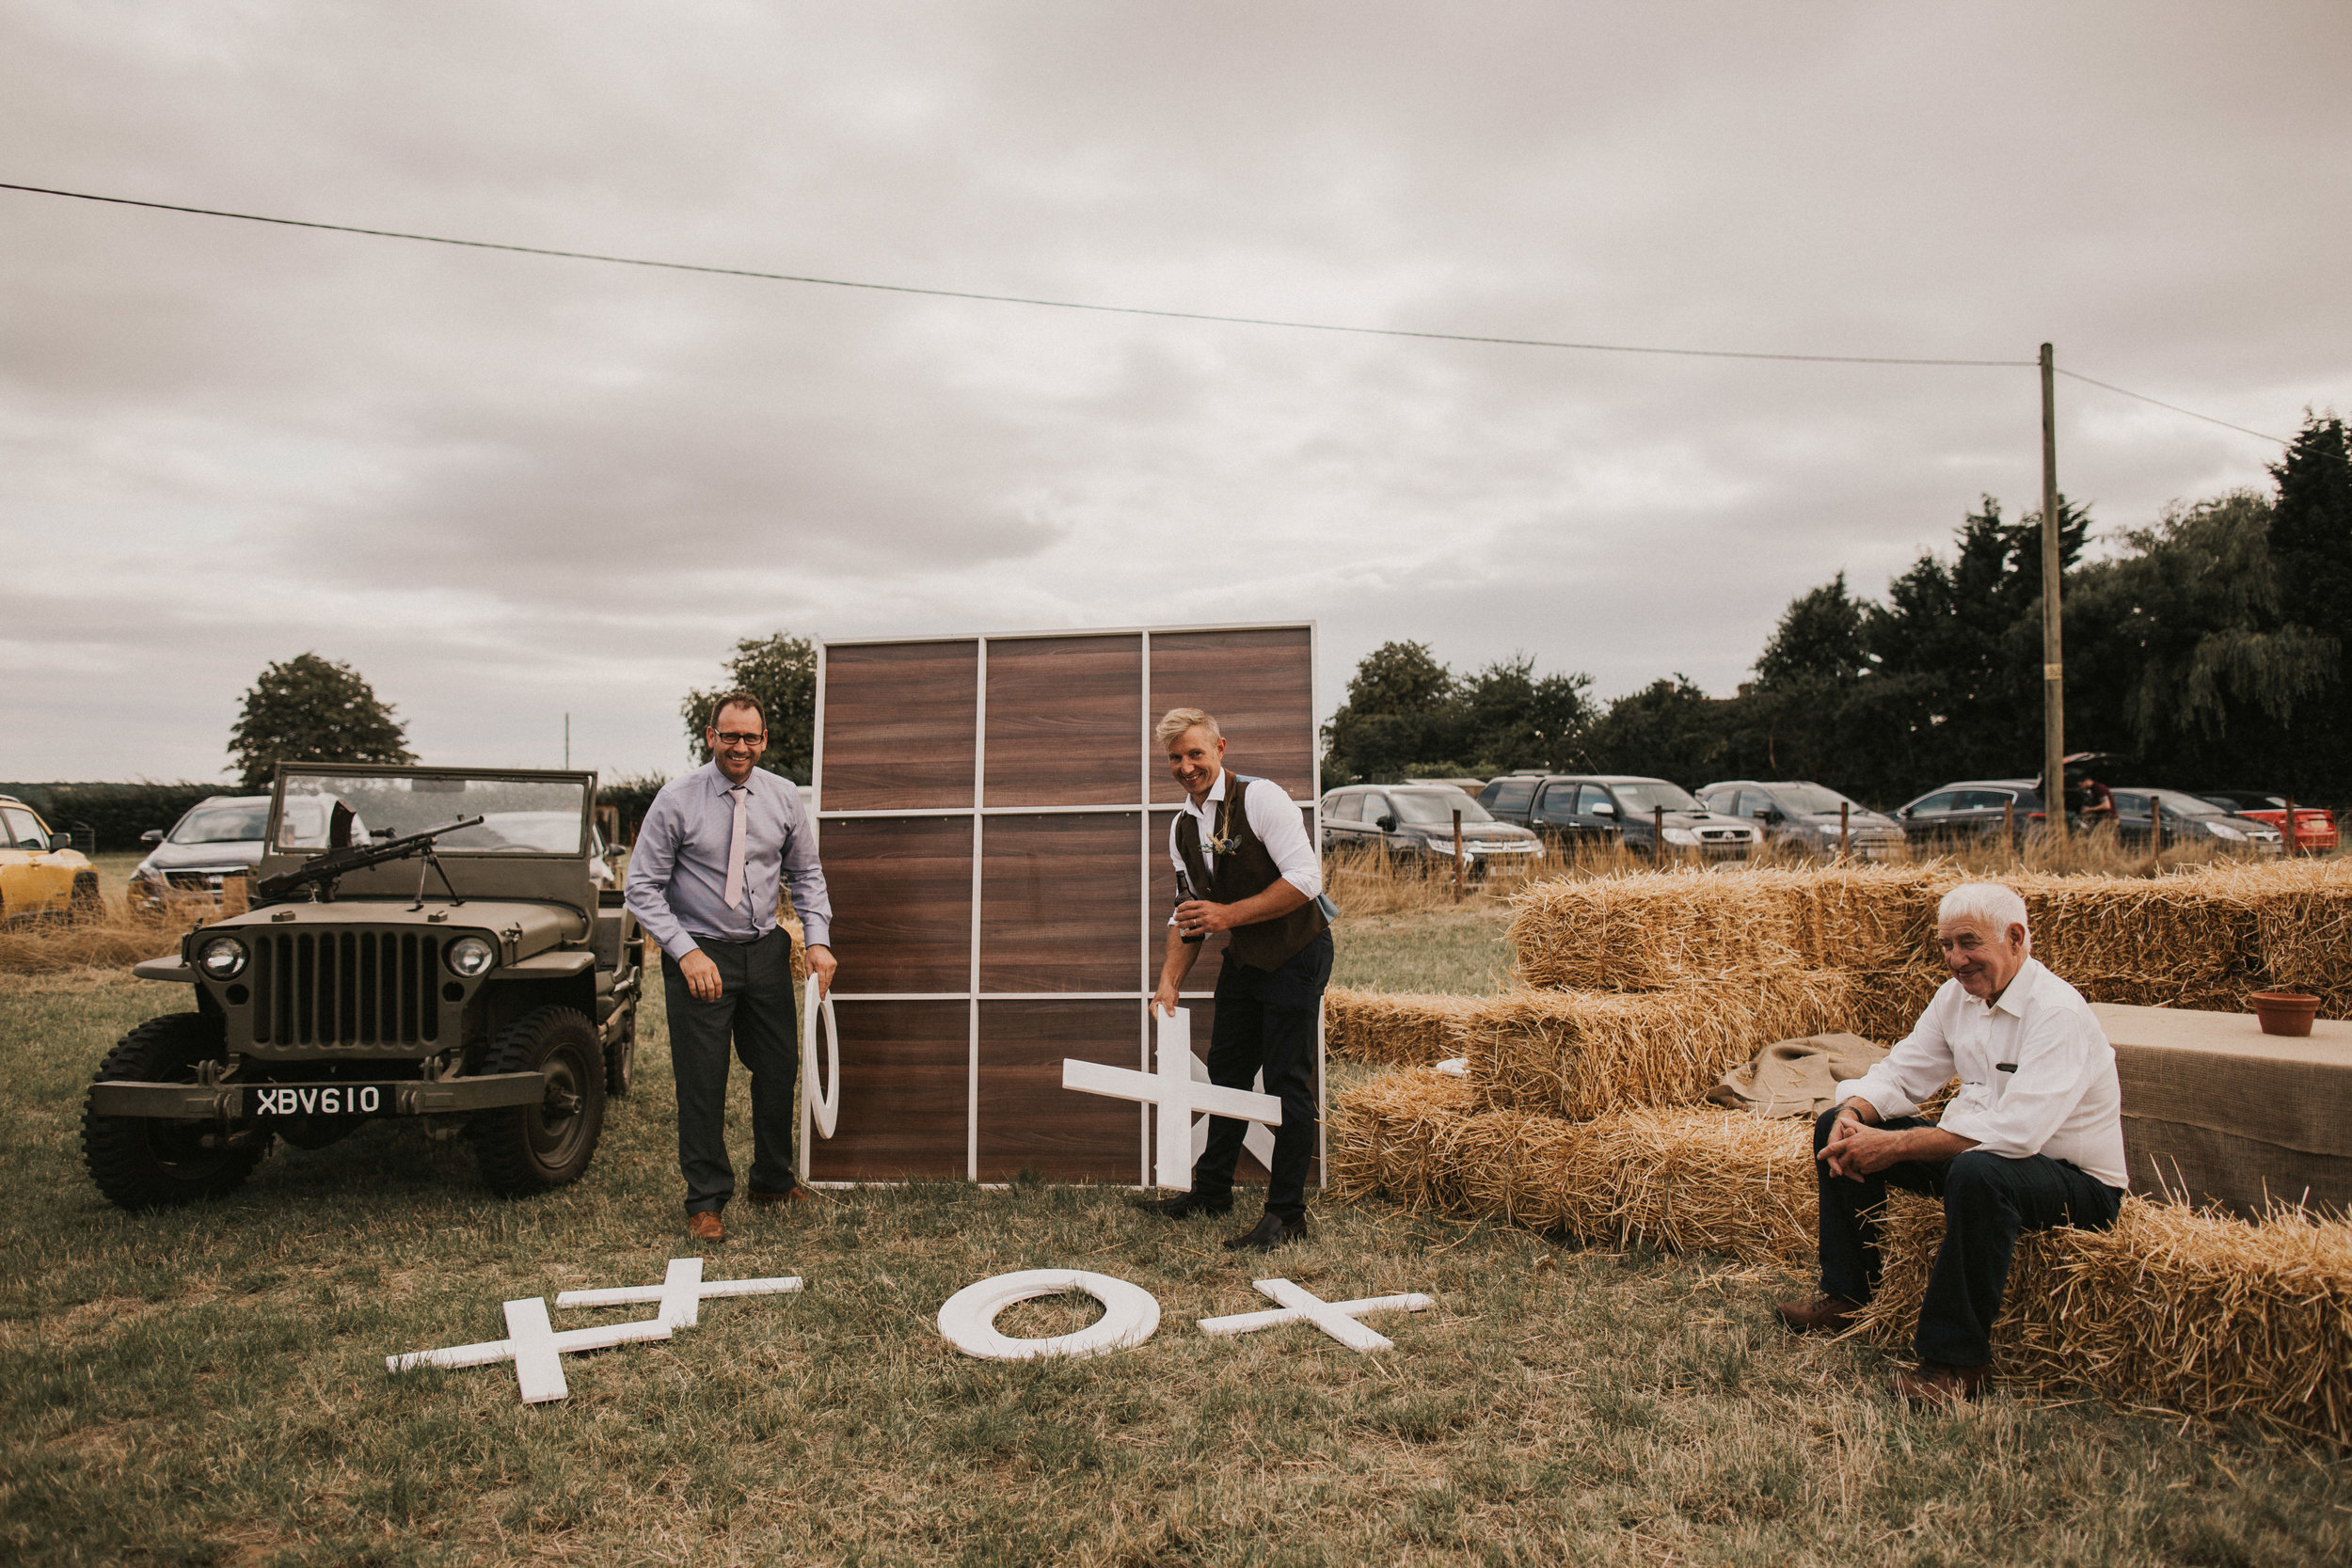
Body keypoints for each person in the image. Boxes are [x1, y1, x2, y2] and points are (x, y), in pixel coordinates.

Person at [1775, 881, 2127, 1405]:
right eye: (1946, 945)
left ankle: (1959, 1362)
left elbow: (2016, 1134)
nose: (1956, 960)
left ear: (2015, 937)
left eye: (1969, 943)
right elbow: (1900, 1075)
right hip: (1983, 1162)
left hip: (2073, 1182)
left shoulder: (2058, 1013)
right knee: (1833, 1127)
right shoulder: (1955, 999)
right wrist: (1853, 1114)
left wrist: (1894, 1147)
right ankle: (1847, 1296)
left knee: (1977, 1170)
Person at [625, 690, 836, 1244]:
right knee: (703, 1080)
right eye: (730, 735)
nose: (740, 746)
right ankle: (706, 1199)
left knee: (777, 1068)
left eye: (751, 736)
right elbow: (641, 888)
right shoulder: (676, 799)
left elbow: (807, 876)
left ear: (764, 740)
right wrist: (685, 952)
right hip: (699, 953)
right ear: (711, 736)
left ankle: (771, 1179)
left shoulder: (785, 797)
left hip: (764, 949)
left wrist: (817, 940)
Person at [1141, 707, 1332, 1252]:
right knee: (1226, 1072)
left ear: (1220, 749)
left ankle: (1287, 1213)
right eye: (1175, 758)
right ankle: (1211, 1191)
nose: (1186, 766)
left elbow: (1306, 879)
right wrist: (1169, 981)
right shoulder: (1181, 827)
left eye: (1195, 754)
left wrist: (1226, 916)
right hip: (1246, 958)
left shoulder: (1262, 797)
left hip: (1298, 951)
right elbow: (1188, 912)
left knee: (1285, 1080)